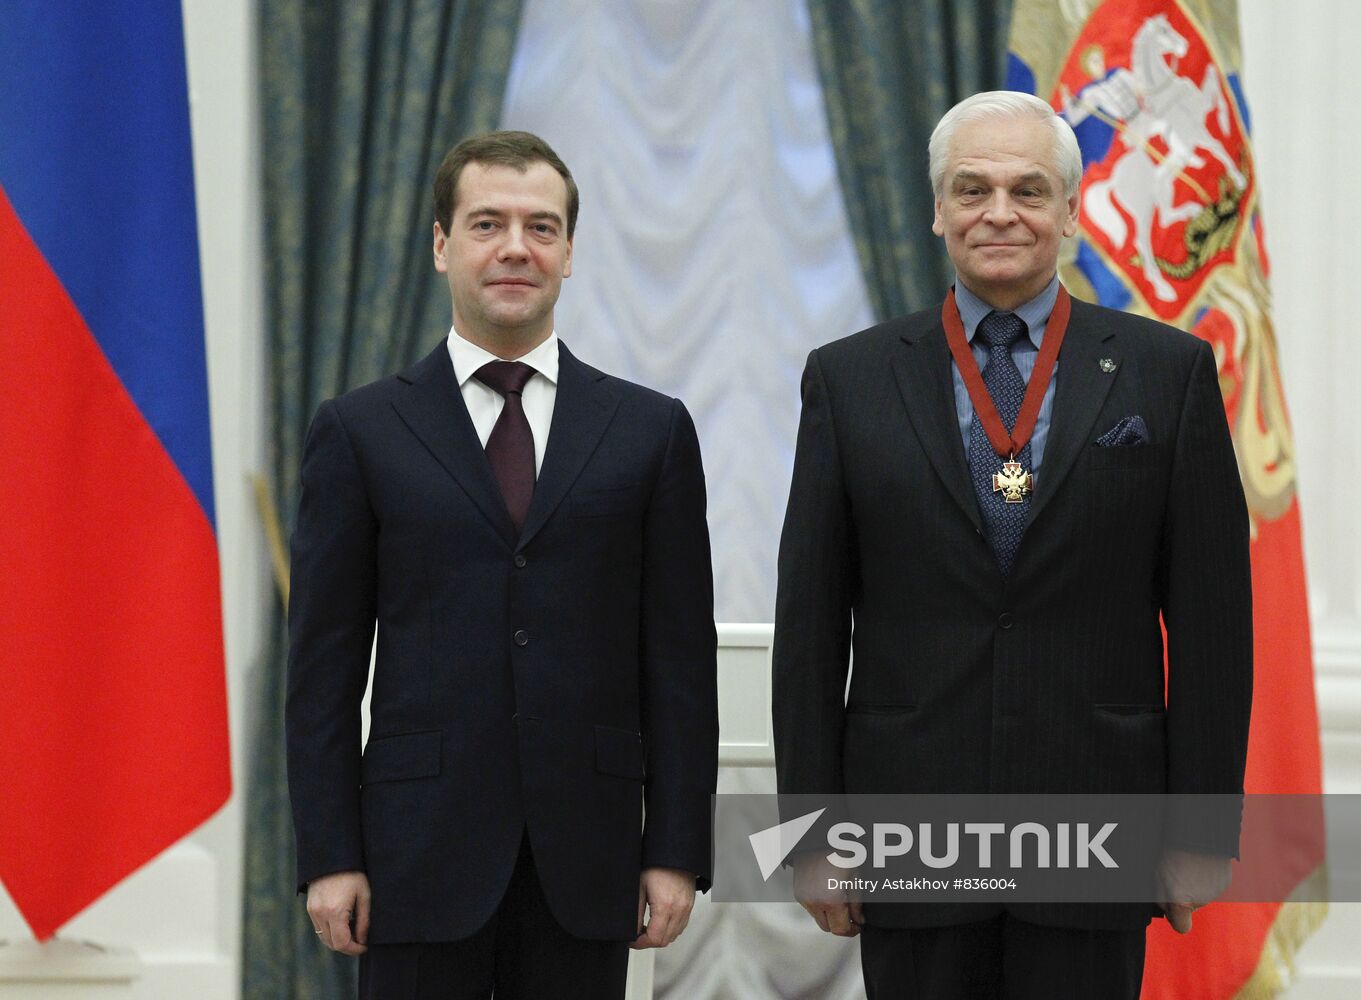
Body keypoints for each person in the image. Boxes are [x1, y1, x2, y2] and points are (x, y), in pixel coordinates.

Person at [772, 91, 1252, 999]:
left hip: (1096, 824)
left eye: (1028, 190)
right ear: (936, 211)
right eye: (972, 188)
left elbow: (1211, 626)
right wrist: (809, 835)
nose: (999, 212)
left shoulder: (1169, 372)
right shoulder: (848, 379)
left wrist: (1199, 828)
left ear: (1071, 212)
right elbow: (806, 627)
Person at [286, 130, 718, 1000]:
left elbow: (678, 664)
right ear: (442, 246)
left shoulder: (649, 430)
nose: (516, 247)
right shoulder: (360, 430)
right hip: (414, 857)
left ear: (568, 254)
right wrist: (329, 857)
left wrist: (674, 852)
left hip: (589, 859)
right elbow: (322, 669)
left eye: (541, 227)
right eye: (487, 224)